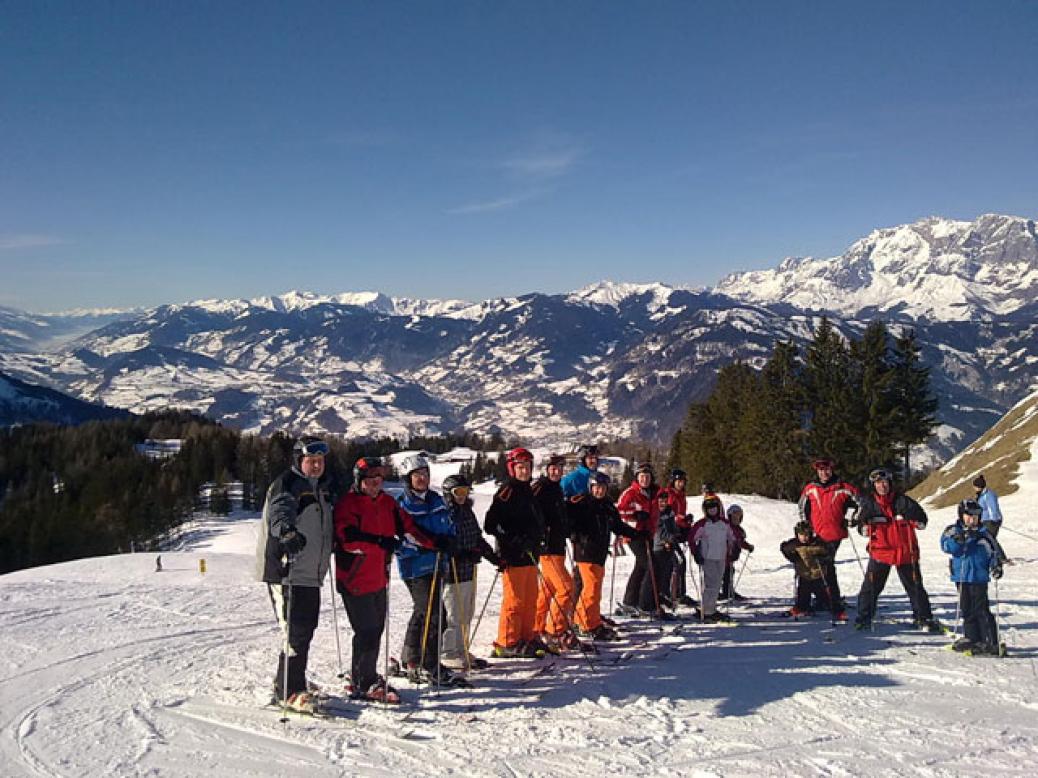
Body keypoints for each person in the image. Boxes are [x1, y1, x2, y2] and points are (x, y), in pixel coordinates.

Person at [333, 455, 438, 703]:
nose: (375, 483)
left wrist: (436, 544)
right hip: (355, 577)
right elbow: (347, 540)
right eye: (369, 479)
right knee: (367, 631)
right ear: (359, 480)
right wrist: (380, 542)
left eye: (378, 478)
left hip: (378, 576)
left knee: (376, 629)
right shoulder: (348, 504)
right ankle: (364, 681)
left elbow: (408, 528)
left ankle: (364, 674)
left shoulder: (387, 503)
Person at [254, 435, 334, 714]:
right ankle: (286, 691)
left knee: (305, 629)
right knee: (294, 632)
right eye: (311, 461)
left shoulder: (320, 488)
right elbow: (280, 513)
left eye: (320, 461)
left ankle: (294, 681)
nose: (316, 466)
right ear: (299, 461)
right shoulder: (288, 484)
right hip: (287, 570)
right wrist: (286, 532)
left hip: (309, 572)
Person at [394, 454, 463, 686]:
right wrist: (432, 545)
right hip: (416, 567)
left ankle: (412, 658)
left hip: (437, 564)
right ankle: (428, 663)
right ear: (407, 479)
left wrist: (451, 541)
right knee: (436, 616)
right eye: (417, 475)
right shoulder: (403, 504)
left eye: (425, 474)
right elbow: (403, 537)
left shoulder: (436, 500)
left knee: (423, 613)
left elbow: (448, 525)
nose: (422, 478)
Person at [851, 468, 939, 632]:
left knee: (915, 587)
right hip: (881, 552)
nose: (882, 486)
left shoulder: (903, 501)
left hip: (905, 552)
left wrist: (913, 520)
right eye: (878, 483)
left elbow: (922, 519)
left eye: (884, 482)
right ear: (873, 486)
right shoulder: (869, 503)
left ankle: (923, 617)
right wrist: (865, 528)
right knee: (870, 588)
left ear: (890, 483)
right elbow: (861, 524)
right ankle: (864, 618)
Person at [484, 447, 548, 658]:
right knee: (515, 601)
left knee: (531, 598)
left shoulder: (528, 490)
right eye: (520, 467)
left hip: (531, 553)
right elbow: (491, 524)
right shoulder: (507, 492)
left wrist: (539, 536)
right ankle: (507, 641)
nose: (525, 471)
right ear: (512, 469)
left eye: (528, 467)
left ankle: (526, 637)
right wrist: (514, 538)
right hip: (513, 555)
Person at [440, 473, 504, 670]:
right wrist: (461, 555)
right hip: (452, 573)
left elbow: (477, 538)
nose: (462, 496)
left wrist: (493, 557)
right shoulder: (445, 514)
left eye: (465, 492)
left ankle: (461, 649)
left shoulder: (467, 512)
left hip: (468, 571)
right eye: (458, 492)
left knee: (467, 612)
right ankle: (448, 652)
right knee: (453, 614)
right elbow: (444, 544)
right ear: (448, 493)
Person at [568, 472, 642, 640]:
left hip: (600, 553)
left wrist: (637, 534)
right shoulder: (582, 503)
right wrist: (573, 533)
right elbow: (569, 520)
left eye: (602, 488)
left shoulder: (608, 506)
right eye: (596, 488)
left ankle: (592, 623)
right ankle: (582, 623)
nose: (599, 491)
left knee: (595, 591)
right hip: (585, 552)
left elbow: (618, 526)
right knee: (590, 590)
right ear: (590, 488)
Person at [941, 499, 1009, 656]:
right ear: (961, 515)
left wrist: (996, 566)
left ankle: (991, 641)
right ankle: (972, 638)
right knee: (966, 609)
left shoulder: (983, 534)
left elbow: (994, 552)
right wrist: (959, 540)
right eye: (969, 516)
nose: (972, 519)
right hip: (962, 577)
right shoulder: (953, 530)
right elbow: (946, 546)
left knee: (981, 609)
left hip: (978, 577)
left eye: (976, 516)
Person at [798, 457, 858, 619]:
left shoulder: (843, 487)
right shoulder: (810, 488)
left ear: (831, 470)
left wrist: (852, 519)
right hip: (815, 534)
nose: (824, 473)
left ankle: (832, 601)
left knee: (825, 565)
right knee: (814, 566)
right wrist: (805, 527)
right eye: (821, 470)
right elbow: (802, 507)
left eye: (827, 470)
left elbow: (860, 503)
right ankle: (823, 598)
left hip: (834, 533)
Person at [533, 454, 579, 653]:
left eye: (559, 468)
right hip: (547, 548)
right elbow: (531, 511)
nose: (556, 471)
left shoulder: (557, 489)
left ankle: (537, 627)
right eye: (552, 468)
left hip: (558, 546)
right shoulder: (540, 488)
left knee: (548, 590)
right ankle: (555, 630)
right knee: (566, 587)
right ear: (547, 469)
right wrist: (540, 532)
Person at [618, 463, 664, 617]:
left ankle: (630, 601)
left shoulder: (655, 492)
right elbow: (619, 510)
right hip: (633, 534)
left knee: (641, 567)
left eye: (647, 476)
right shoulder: (631, 492)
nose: (644, 479)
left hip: (647, 534)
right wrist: (635, 514)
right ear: (637, 478)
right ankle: (646, 604)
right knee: (652, 565)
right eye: (642, 477)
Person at [689, 495, 736, 622]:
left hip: (721, 557)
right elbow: (692, 539)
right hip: (707, 557)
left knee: (716, 583)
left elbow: (732, 537)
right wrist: (696, 553)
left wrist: (734, 549)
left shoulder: (724, 524)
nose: (712, 511)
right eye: (709, 508)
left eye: (714, 508)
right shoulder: (702, 524)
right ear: (705, 510)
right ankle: (707, 610)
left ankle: (710, 608)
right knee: (711, 583)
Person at [780, 520, 840, 618]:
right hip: (804, 575)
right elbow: (784, 548)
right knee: (803, 594)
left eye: (807, 535)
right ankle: (802, 607)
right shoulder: (794, 544)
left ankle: (831, 606)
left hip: (818, 575)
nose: (804, 538)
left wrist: (823, 558)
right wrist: (793, 557)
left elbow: (829, 552)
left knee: (823, 595)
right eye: (801, 535)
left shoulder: (817, 543)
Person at [659, 469, 695, 607]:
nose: (680, 484)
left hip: (676, 531)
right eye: (678, 481)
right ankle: (670, 594)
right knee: (676, 562)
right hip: (666, 533)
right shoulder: (668, 494)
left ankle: (678, 594)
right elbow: (667, 514)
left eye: (683, 481)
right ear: (673, 481)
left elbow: (679, 515)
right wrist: (681, 519)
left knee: (678, 562)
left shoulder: (681, 495)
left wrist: (686, 523)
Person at [653, 489, 681, 609]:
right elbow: (659, 532)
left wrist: (677, 534)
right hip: (659, 546)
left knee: (671, 569)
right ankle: (658, 597)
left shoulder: (669, 512)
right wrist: (670, 538)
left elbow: (673, 526)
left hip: (669, 545)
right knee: (660, 572)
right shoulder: (655, 513)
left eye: (665, 501)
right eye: (660, 501)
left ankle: (666, 594)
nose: (663, 503)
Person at [720, 504, 754, 601]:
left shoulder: (739, 530)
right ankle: (725, 592)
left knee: (730, 572)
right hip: (723, 557)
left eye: (738, 517)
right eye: (734, 517)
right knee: (724, 574)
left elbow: (741, 542)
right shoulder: (725, 528)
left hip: (731, 558)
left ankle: (728, 591)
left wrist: (748, 547)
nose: (736, 519)